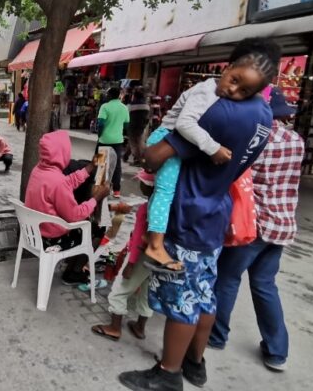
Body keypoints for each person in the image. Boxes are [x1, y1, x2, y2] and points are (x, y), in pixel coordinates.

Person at [117, 38, 278, 391]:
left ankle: (169, 373)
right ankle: (195, 362)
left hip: (190, 212)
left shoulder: (219, 112)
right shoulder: (264, 115)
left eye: (240, 85)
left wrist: (161, 141)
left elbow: (154, 157)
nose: (232, 89)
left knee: (183, 300)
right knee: (205, 292)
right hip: (215, 209)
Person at [143, 39, 285, 275]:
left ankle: (154, 240)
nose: (233, 91)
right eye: (234, 81)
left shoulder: (228, 104)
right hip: (165, 135)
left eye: (244, 92)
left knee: (163, 191)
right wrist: (212, 147)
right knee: (165, 191)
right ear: (226, 69)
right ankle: (155, 244)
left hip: (196, 214)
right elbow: (184, 125)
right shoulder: (207, 92)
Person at [208, 89, 304, 372]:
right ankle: (277, 351)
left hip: (254, 224)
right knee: (264, 284)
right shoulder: (296, 140)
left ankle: (216, 335)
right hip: (282, 224)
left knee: (227, 279)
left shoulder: (254, 138)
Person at [25, 131, 130, 285]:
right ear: (62, 151)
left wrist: (88, 168)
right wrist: (96, 198)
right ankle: (73, 273)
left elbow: (66, 182)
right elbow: (75, 215)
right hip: (51, 239)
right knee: (97, 228)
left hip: (35, 233)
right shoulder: (57, 182)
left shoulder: (39, 170)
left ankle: (71, 264)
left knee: (86, 223)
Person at [91, 169, 155, 341]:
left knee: (120, 289)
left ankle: (114, 327)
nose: (139, 184)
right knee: (147, 292)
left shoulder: (145, 209)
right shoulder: (164, 208)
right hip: (156, 257)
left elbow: (136, 243)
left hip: (137, 256)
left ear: (149, 186)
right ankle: (140, 326)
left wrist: (131, 264)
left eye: (142, 182)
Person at [96, 88, 128, 198]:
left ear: (109, 95)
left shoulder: (105, 107)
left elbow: (100, 124)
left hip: (104, 140)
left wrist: (99, 135)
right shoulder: (124, 108)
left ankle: (99, 187)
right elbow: (126, 124)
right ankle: (117, 190)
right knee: (117, 165)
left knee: (101, 163)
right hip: (118, 141)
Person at [126, 89, 150, 165]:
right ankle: (126, 156)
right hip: (142, 127)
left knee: (133, 143)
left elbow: (126, 116)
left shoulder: (130, 105)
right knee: (138, 142)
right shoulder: (146, 106)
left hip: (132, 126)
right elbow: (148, 117)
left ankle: (138, 160)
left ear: (134, 96)